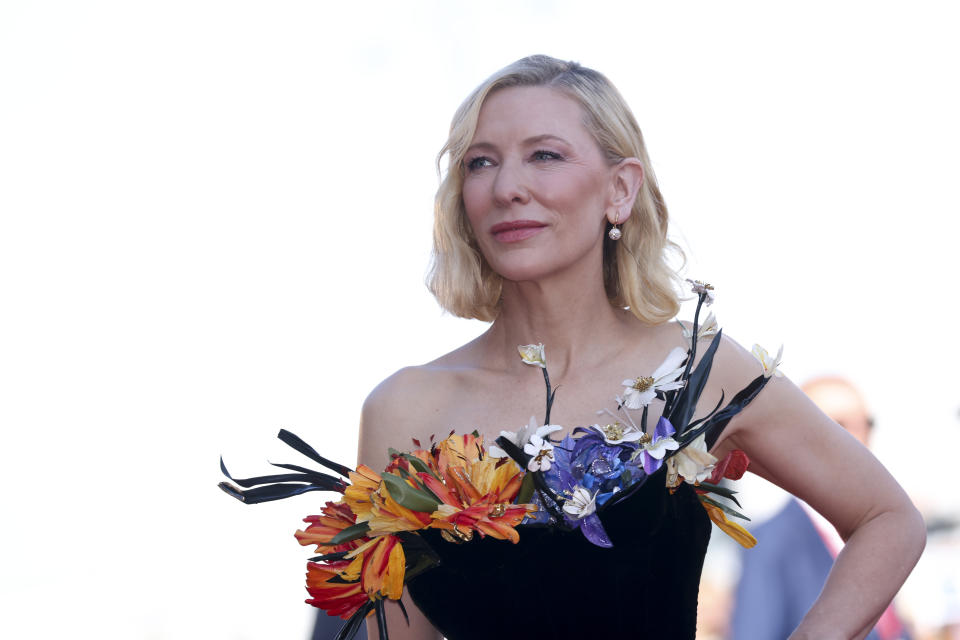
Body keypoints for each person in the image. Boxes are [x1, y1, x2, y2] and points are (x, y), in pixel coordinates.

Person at [356, 55, 925, 640]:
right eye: (481, 163)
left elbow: (889, 518)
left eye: (544, 155)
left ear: (620, 189)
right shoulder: (403, 410)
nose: (507, 188)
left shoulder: (699, 373)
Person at [730, 376, 911, 640]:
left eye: (866, 424)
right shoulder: (770, 543)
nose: (858, 437)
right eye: (838, 425)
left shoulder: (878, 530)